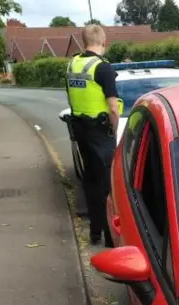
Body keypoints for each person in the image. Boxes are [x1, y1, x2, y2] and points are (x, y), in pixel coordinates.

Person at [66, 24, 121, 246]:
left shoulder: (73, 64)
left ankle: (95, 232)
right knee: (108, 186)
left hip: (81, 130)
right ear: (103, 41)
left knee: (90, 181)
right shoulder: (103, 68)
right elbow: (114, 107)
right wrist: (114, 130)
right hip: (100, 131)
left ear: (82, 40)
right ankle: (110, 238)